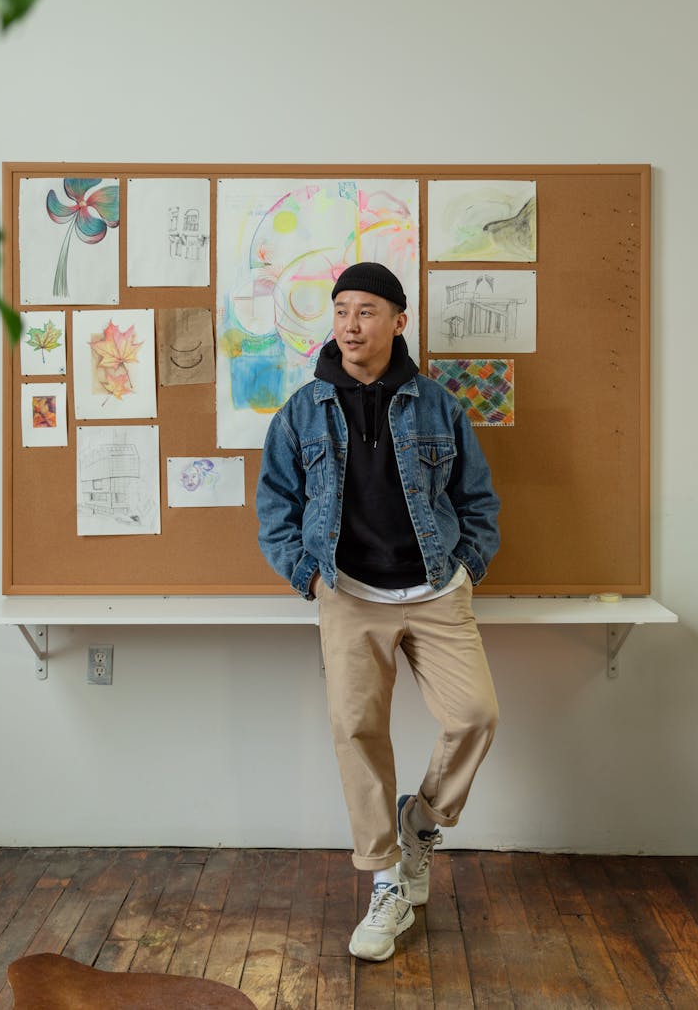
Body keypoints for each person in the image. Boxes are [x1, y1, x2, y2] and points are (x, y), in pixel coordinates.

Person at [256, 262, 500, 962]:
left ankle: (421, 820)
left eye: (365, 311)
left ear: (398, 319)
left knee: (475, 714)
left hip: (433, 589)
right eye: (339, 311)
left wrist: (468, 565)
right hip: (350, 593)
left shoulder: (437, 405)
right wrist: (307, 575)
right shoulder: (302, 411)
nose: (349, 325)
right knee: (356, 730)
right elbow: (275, 506)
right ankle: (388, 879)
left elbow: (478, 498)